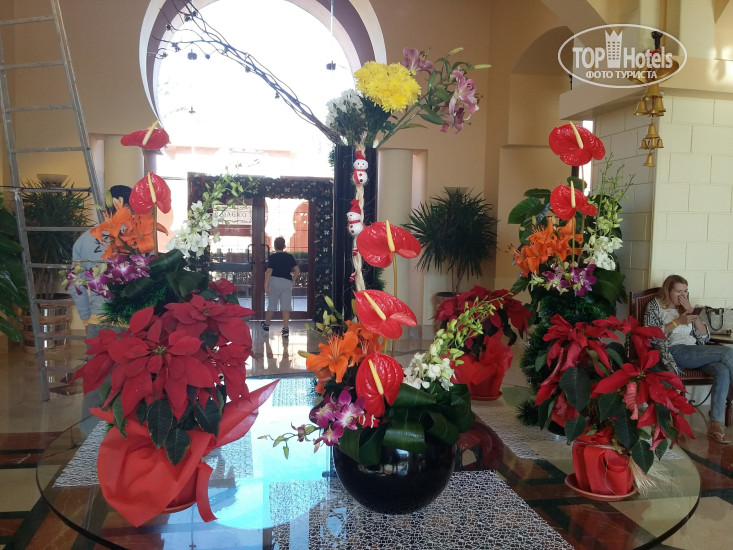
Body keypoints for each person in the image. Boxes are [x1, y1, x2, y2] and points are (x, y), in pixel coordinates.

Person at [643, 274, 733, 444]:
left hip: (695, 351)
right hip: (674, 352)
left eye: (685, 291)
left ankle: (715, 424)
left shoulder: (686, 308)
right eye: (678, 291)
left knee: (722, 370)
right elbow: (651, 335)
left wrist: (694, 315)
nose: (683, 295)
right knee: (728, 353)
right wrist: (678, 321)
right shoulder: (655, 306)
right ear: (668, 291)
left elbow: (705, 338)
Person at [261, 236, 299, 337]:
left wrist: (265, 286)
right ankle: (285, 329)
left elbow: (269, 272)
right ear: (284, 246)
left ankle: (266, 325)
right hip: (286, 283)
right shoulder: (290, 257)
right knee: (286, 307)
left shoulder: (272, 257)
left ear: (274, 246)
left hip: (274, 282)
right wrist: (293, 281)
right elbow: (297, 271)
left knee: (272, 305)